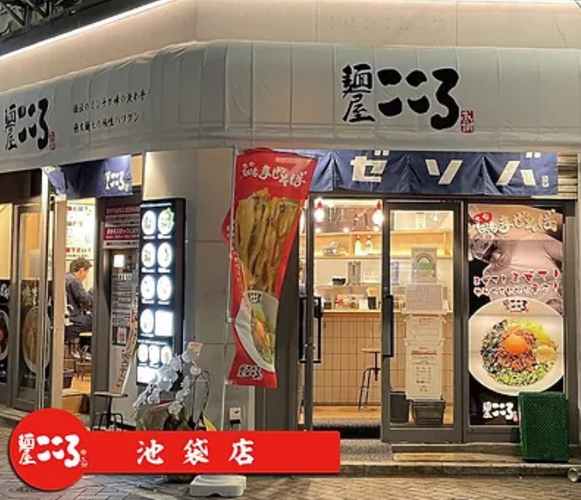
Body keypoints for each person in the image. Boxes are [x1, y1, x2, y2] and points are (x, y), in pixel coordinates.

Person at [65, 257, 93, 358]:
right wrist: (92, 294)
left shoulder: (66, 277)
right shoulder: (74, 281)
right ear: (81, 270)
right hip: (74, 319)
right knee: (97, 322)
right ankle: (88, 351)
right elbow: (85, 299)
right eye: (87, 272)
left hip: (69, 317)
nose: (86, 275)